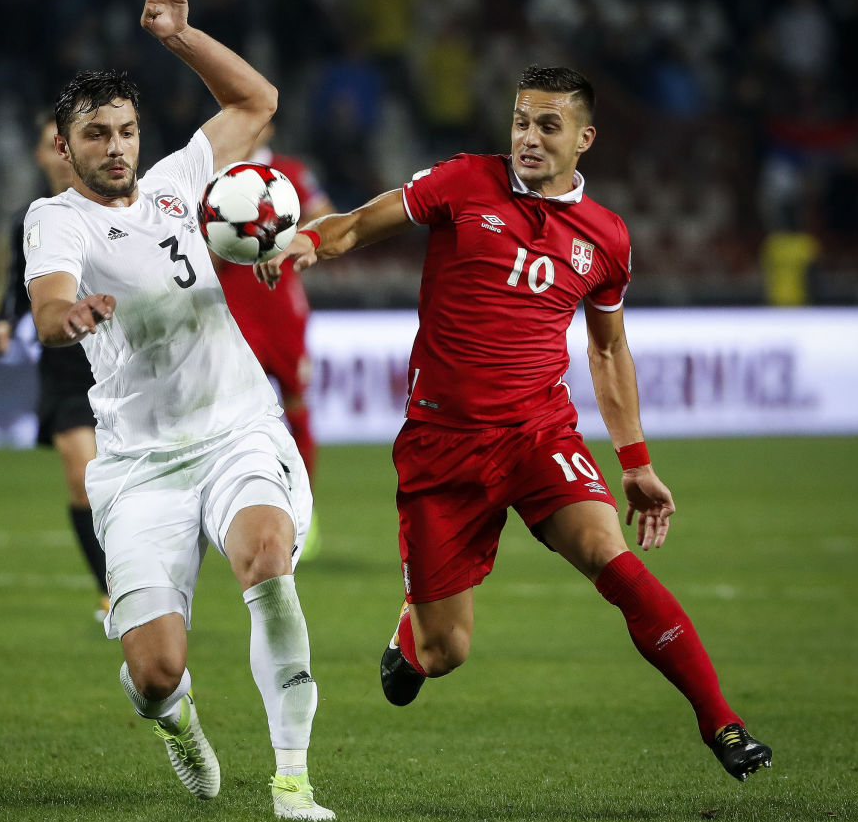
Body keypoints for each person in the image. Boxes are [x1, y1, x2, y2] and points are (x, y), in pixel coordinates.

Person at [259, 65, 772, 783]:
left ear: (584, 138)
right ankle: (413, 637)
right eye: (521, 122)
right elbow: (355, 224)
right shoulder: (463, 182)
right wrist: (310, 244)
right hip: (442, 445)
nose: (529, 138)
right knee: (446, 652)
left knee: (609, 555)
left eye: (548, 125)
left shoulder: (606, 238)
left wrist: (635, 460)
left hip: (539, 434)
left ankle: (723, 722)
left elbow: (607, 346)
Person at [23, 0, 334, 820]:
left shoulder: (177, 179)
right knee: (156, 670)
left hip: (236, 431)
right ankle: (176, 720)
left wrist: (175, 34)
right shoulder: (58, 220)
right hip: (141, 464)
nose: (115, 146)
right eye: (96, 135)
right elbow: (48, 302)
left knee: (268, 562)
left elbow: (258, 101)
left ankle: (293, 778)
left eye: (124, 129)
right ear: (64, 146)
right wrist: (70, 313)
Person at [0, 113, 109, 621]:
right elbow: (19, 283)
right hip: (63, 365)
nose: (57, 153)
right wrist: (4, 321)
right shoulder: (30, 220)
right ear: (43, 155)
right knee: (82, 480)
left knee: (117, 484)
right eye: (47, 145)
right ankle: (110, 589)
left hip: (113, 362)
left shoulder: (112, 209)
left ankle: (141, 579)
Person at [213, 122, 333, 510]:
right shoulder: (217, 177)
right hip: (233, 308)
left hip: (282, 309)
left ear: (272, 128)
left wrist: (291, 237)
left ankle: (304, 509)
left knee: (297, 407)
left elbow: (326, 216)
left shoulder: (290, 174)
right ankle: (238, 506)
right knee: (234, 418)